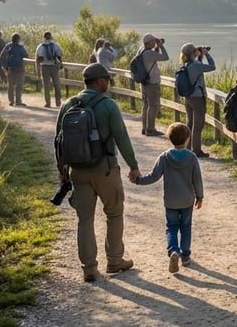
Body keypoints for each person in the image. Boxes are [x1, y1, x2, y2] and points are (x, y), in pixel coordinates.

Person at [57, 63, 141, 282]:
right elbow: (121, 137)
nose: (109, 83)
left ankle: (89, 269)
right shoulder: (108, 105)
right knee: (114, 213)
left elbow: (59, 141)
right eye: (107, 79)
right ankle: (114, 260)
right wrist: (133, 165)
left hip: (78, 171)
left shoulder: (68, 104)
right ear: (99, 81)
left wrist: (62, 170)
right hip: (104, 169)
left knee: (84, 219)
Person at [133, 122, 203, 274]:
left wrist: (138, 180)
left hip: (170, 201)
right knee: (186, 228)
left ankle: (173, 251)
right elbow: (197, 179)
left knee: (171, 227)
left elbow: (153, 176)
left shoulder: (164, 157)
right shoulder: (191, 157)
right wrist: (200, 196)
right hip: (187, 200)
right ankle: (185, 256)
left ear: (170, 139)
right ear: (187, 139)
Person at [179, 43, 216, 158]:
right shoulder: (196, 65)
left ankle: (187, 148)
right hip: (197, 98)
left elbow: (198, 67)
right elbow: (212, 66)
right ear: (193, 53)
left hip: (188, 97)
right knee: (198, 125)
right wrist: (207, 54)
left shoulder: (186, 64)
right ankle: (197, 151)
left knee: (190, 123)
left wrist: (200, 56)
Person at [138, 33, 169, 136]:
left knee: (146, 105)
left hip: (144, 81)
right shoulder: (149, 54)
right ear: (149, 42)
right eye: (153, 41)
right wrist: (161, 46)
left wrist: (156, 47)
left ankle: (144, 128)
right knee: (153, 105)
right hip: (152, 82)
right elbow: (165, 57)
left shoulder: (142, 50)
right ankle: (151, 129)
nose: (155, 42)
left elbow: (154, 58)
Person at [35, 31, 65, 108]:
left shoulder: (40, 46)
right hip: (54, 66)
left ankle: (48, 103)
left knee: (46, 86)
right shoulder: (55, 45)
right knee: (57, 84)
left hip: (45, 67)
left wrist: (38, 71)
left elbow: (38, 59)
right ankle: (58, 102)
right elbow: (59, 55)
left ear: (44, 37)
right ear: (51, 37)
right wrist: (61, 64)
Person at [0, 33, 29, 106]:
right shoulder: (14, 47)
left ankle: (13, 101)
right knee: (16, 85)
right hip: (15, 68)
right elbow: (26, 56)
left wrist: (4, 66)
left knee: (13, 85)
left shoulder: (11, 47)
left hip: (16, 68)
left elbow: (1, 57)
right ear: (18, 39)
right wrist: (5, 66)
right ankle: (16, 101)